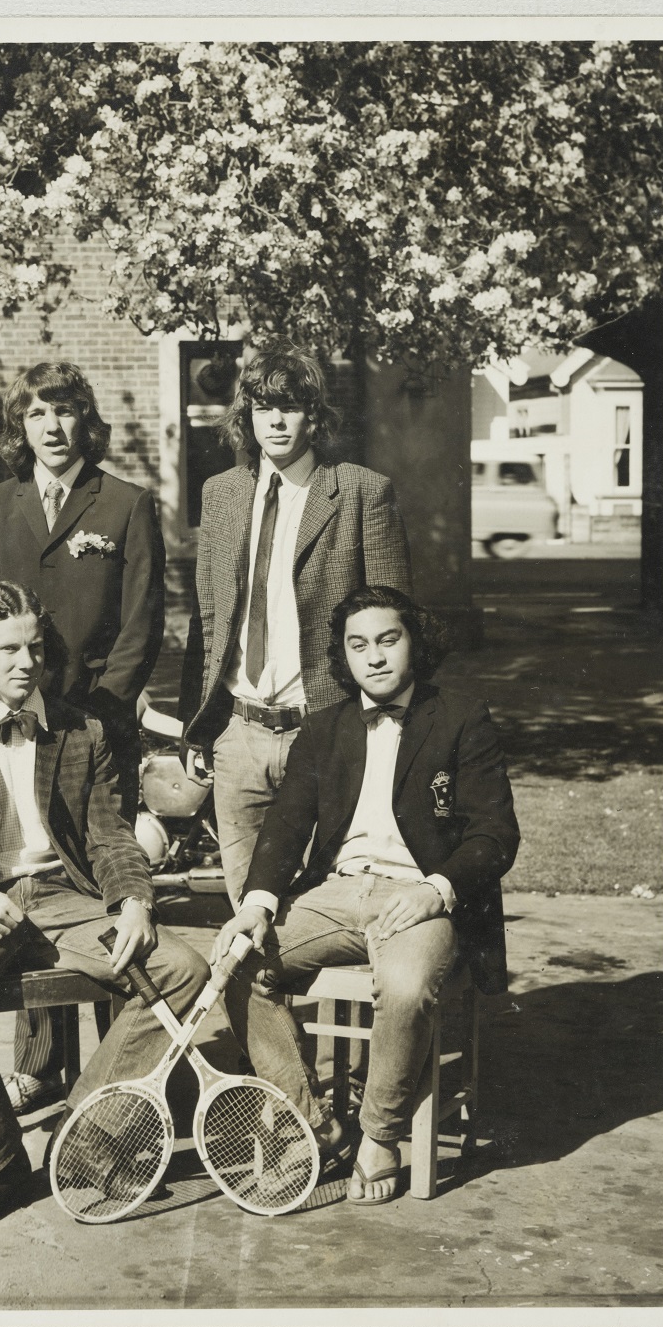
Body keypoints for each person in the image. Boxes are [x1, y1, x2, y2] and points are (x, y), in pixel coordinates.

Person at [0, 581, 206, 1231]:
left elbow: (110, 836)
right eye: (8, 649)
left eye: (35, 648)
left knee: (182, 969)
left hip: (66, 901)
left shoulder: (84, 731)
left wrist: (134, 901)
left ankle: (81, 1136)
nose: (25, 662)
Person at [212, 585, 519, 1205]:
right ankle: (313, 1123)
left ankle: (380, 1135)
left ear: (415, 643)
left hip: (419, 896)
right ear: (344, 657)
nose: (374, 657)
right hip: (337, 891)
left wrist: (439, 890)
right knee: (235, 962)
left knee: (405, 989)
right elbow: (285, 826)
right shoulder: (323, 730)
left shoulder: (461, 718)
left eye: (388, 639)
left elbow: (496, 833)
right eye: (359, 645)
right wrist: (257, 903)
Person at [0, 362, 166, 1111]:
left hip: (98, 724)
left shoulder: (127, 505)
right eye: (37, 414)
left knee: (105, 881)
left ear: (86, 421)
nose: (52, 427)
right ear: (20, 427)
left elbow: (142, 624)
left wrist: (101, 713)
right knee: (31, 876)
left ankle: (119, 1072)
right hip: (17, 727)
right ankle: (39, 1066)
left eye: (65, 412)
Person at [178, 341, 413, 911]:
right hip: (239, 734)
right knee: (249, 916)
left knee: (319, 910)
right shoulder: (222, 494)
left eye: (291, 406)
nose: (277, 421)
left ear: (315, 416)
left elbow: (398, 625)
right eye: (263, 407)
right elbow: (208, 618)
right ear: (247, 417)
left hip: (324, 729)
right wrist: (198, 727)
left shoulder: (359, 491)